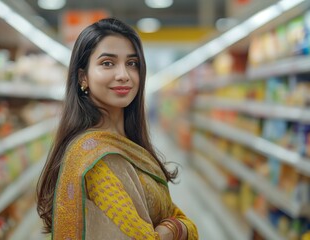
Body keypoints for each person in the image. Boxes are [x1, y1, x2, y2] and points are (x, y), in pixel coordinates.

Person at [36, 17, 198, 240]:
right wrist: (177, 227)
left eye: (132, 63)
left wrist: (171, 226)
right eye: (107, 63)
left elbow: (170, 216)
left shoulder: (127, 143)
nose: (123, 75)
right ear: (83, 76)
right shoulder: (95, 159)